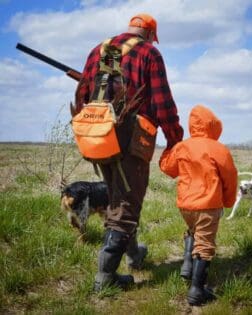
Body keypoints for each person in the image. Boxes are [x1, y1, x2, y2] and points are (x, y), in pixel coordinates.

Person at [74, 13, 184, 291]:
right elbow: (162, 102)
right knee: (126, 204)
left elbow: (88, 94)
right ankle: (105, 279)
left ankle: (134, 254)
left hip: (98, 138)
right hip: (131, 139)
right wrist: (175, 138)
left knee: (118, 197)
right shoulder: (149, 53)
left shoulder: (101, 50)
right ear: (149, 34)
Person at [159, 104, 237, 306]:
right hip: (208, 205)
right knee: (205, 244)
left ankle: (187, 267)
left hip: (186, 206)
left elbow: (168, 168)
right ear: (213, 126)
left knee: (193, 231)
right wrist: (227, 201)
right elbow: (230, 177)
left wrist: (169, 148)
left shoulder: (183, 146)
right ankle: (197, 291)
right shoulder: (219, 149)